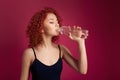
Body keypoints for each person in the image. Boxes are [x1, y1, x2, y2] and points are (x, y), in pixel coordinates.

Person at [20, 7, 88, 80]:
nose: (57, 25)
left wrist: (81, 41)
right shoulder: (29, 53)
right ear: (41, 28)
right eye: (52, 22)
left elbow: (82, 70)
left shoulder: (61, 49)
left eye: (57, 22)